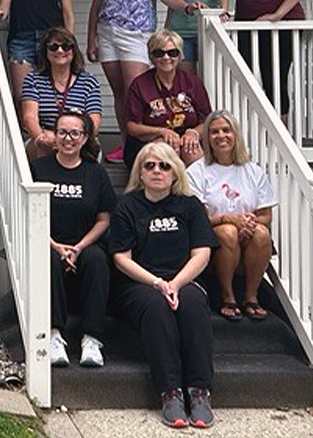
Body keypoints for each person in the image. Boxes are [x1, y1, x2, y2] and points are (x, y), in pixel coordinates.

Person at [110, 141, 218, 429]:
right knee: (156, 308)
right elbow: (121, 258)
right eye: (150, 165)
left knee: (193, 306)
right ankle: (170, 393)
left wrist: (177, 282)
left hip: (185, 278)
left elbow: (202, 253)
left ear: (175, 173)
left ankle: (199, 392)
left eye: (164, 165)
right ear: (140, 173)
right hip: (139, 283)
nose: (157, 171)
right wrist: (158, 283)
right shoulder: (126, 206)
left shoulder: (190, 205)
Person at [87, 0, 196, 160]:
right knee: (119, 93)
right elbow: (96, 6)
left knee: (134, 90)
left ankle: (140, 143)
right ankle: (126, 144)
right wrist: (91, 40)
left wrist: (186, 6)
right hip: (107, 34)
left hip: (136, 35)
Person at [30, 110, 114, 368]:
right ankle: (54, 335)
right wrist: (56, 246)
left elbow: (104, 220)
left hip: (84, 244)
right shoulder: (39, 168)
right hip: (48, 241)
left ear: (85, 137)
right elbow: (30, 215)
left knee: (98, 260)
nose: (68, 138)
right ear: (54, 136)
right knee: (50, 261)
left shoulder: (95, 172)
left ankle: (92, 338)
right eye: (62, 132)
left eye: (75, 133)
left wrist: (77, 248)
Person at [187, 111, 276, 323]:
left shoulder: (253, 172)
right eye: (214, 132)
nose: (221, 136)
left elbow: (265, 215)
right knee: (228, 233)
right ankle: (227, 296)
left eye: (226, 130)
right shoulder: (197, 171)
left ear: (235, 135)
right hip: (214, 237)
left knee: (262, 233)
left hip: (248, 237)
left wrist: (248, 222)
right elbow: (196, 218)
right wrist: (228, 220)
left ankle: (251, 296)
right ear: (207, 138)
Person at [123, 30, 211, 168]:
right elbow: (132, 126)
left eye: (172, 53)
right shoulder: (139, 84)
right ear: (151, 56)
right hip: (149, 142)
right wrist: (161, 132)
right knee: (166, 151)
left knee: (193, 152)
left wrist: (193, 133)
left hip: (185, 140)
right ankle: (167, 189)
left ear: (180, 55)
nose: (166, 57)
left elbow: (206, 120)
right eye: (159, 53)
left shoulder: (192, 82)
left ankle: (192, 189)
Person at [20, 28, 102, 157]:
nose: (60, 50)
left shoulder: (89, 81)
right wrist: (41, 138)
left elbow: (94, 120)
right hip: (46, 137)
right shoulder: (33, 80)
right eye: (53, 47)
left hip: (78, 138)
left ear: (73, 51)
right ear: (45, 52)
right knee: (41, 148)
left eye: (66, 46)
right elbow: (29, 117)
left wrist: (78, 138)